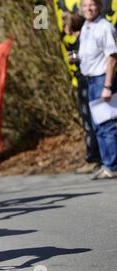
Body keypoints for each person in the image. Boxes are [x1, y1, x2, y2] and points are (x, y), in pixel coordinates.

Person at [78, 0, 117, 179]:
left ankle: (112, 167)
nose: (88, 9)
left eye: (92, 5)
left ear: (99, 7)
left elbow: (112, 58)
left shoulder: (105, 27)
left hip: (102, 80)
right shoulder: (86, 26)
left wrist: (107, 86)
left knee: (106, 126)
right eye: (85, 6)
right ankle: (106, 164)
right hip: (89, 80)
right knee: (97, 127)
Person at [63, 12, 102, 174]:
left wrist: (74, 57)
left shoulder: (80, 42)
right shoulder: (81, 39)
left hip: (86, 82)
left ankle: (94, 159)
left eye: (65, 25)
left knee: (90, 121)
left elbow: (81, 59)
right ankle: (97, 157)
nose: (64, 28)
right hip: (86, 81)